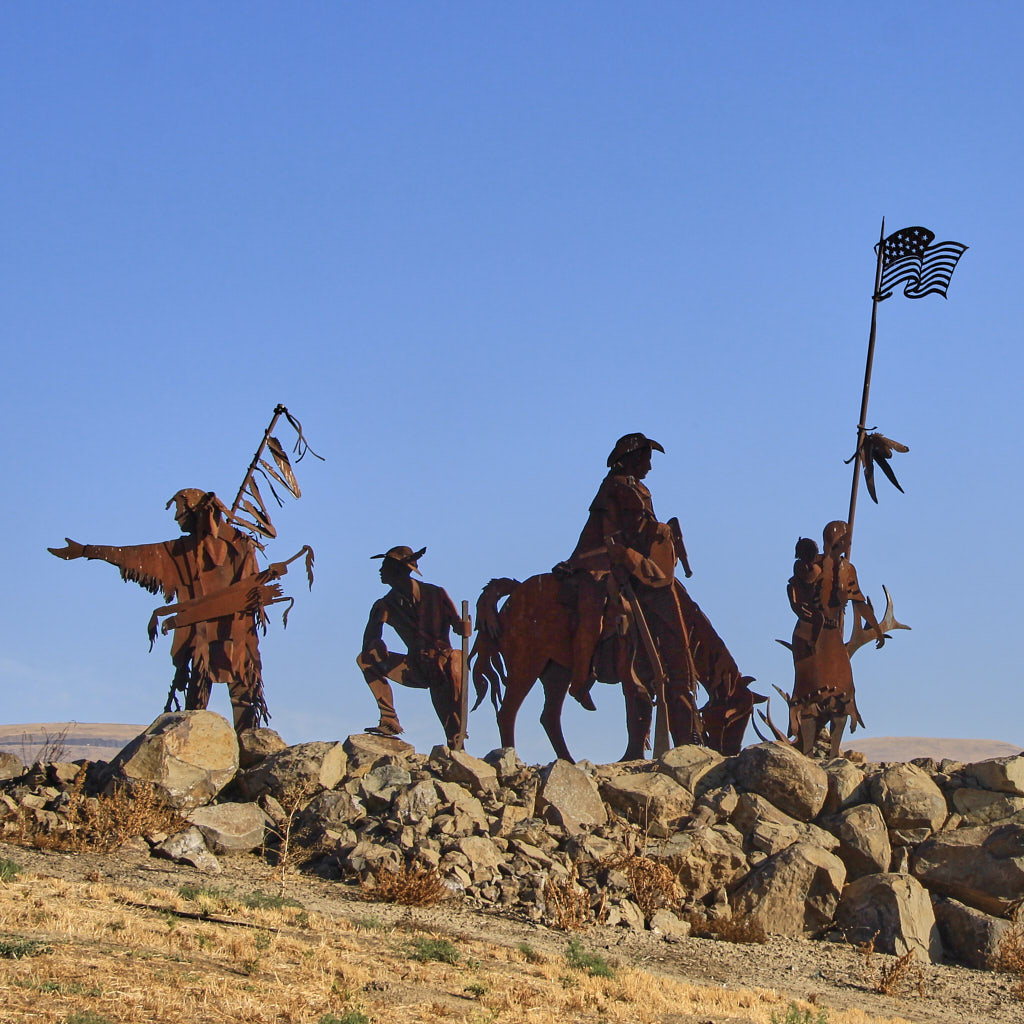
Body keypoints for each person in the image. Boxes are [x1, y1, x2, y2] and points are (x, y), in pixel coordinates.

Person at [49, 488, 269, 732]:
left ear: (196, 511)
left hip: (235, 635)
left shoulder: (240, 546)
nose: (176, 518)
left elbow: (253, 592)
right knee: (197, 699)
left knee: (241, 693)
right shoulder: (182, 551)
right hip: (202, 639)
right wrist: (87, 551)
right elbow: (136, 556)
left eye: (180, 511)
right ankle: (194, 744)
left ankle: (248, 746)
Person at [558, 433, 702, 745]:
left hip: (632, 561)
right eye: (645, 458)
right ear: (630, 460)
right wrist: (655, 537)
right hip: (602, 559)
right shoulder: (617, 486)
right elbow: (620, 533)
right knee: (595, 611)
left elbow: (644, 530)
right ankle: (582, 677)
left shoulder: (639, 488)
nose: (650, 464)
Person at [787, 520, 885, 756]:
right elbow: (794, 591)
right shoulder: (811, 565)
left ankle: (833, 754)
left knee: (842, 693)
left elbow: (858, 603)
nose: (847, 543)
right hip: (810, 635)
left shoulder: (847, 570)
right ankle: (808, 751)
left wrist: (877, 629)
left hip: (832, 635)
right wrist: (800, 606)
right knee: (810, 694)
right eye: (844, 539)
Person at [356, 545, 468, 745]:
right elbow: (370, 639)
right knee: (366, 659)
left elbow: (457, 625)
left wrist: (463, 627)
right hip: (415, 666)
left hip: (444, 665)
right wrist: (376, 644)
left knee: (451, 715)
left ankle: (457, 744)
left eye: (385, 566)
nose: (381, 571)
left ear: (398, 570)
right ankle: (389, 719)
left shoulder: (435, 593)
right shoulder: (385, 605)